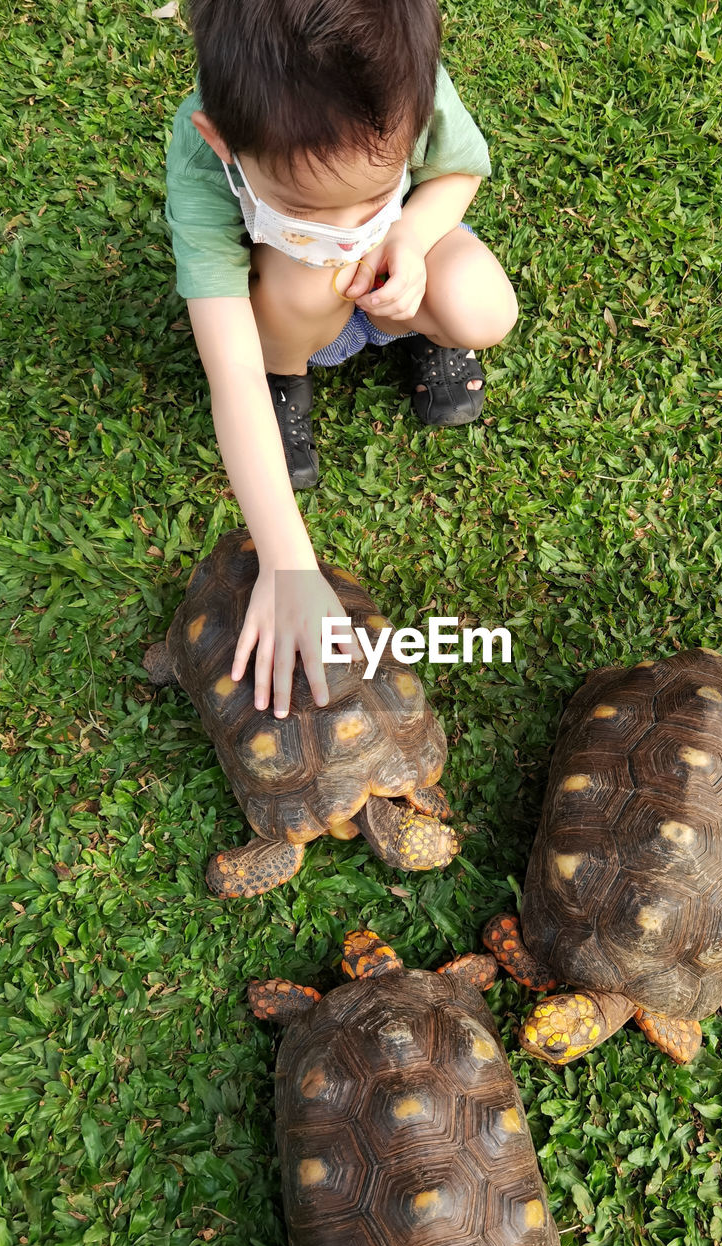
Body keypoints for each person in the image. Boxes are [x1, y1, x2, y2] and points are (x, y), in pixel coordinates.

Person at [165, 0, 518, 718]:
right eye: (308, 205)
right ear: (221, 139)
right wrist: (289, 563)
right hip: (293, 299)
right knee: (301, 282)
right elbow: (230, 372)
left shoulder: (402, 92)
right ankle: (289, 378)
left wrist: (410, 236)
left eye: (368, 197)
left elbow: (457, 175)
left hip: (405, 265)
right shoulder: (204, 162)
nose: (346, 230)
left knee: (484, 307)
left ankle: (430, 334)